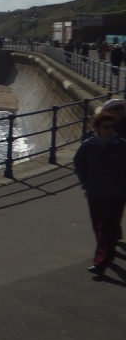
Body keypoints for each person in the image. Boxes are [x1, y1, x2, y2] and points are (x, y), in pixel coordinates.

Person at [73, 111, 126, 277]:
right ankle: (107, 253)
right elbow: (78, 163)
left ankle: (100, 263)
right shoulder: (88, 146)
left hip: (117, 194)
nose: (110, 130)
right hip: (95, 193)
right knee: (98, 226)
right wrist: (85, 182)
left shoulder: (121, 145)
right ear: (97, 128)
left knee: (107, 227)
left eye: (112, 127)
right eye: (106, 127)